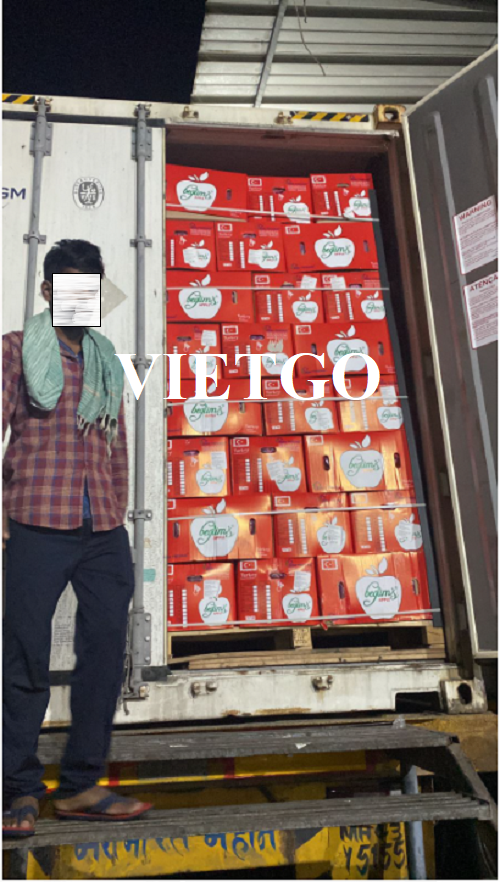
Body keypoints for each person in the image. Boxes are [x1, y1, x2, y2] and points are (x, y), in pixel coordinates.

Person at [2, 240, 152, 837]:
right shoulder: (16, 350)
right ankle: (17, 789)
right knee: (24, 658)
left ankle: (81, 784)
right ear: (47, 292)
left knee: (106, 651)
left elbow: (115, 443)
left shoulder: (107, 360)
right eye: (69, 289)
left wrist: (117, 514)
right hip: (36, 523)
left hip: (102, 530)